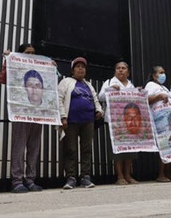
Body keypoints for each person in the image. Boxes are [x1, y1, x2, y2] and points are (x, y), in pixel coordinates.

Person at [0, 43, 45, 193]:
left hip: (37, 114)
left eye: (33, 53)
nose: (31, 55)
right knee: (19, 147)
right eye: (27, 53)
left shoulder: (39, 70)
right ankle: (17, 181)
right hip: (21, 113)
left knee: (34, 147)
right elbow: (4, 79)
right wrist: (9, 60)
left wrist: (51, 68)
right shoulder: (15, 66)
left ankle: (30, 179)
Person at [58, 57, 103, 189]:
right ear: (72, 70)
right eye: (77, 66)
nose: (80, 69)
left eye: (83, 67)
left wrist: (99, 110)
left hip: (88, 121)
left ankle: (85, 177)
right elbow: (59, 99)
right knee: (70, 149)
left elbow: (95, 100)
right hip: (71, 121)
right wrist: (62, 117)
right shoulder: (66, 82)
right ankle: (71, 178)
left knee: (87, 149)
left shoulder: (88, 85)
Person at [98, 61, 138, 185]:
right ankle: (120, 176)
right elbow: (100, 97)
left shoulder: (131, 85)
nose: (121, 70)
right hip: (115, 121)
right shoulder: (109, 82)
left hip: (129, 121)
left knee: (129, 149)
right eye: (118, 68)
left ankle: (128, 175)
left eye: (123, 68)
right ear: (115, 71)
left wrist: (138, 92)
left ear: (128, 71)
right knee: (117, 149)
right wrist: (110, 90)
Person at [145, 65, 171, 183]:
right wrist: (159, 96)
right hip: (159, 119)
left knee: (170, 144)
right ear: (154, 75)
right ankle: (161, 174)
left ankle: (168, 173)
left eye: (164, 72)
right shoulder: (151, 85)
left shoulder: (164, 88)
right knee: (164, 144)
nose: (163, 75)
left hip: (170, 119)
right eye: (161, 72)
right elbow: (147, 99)